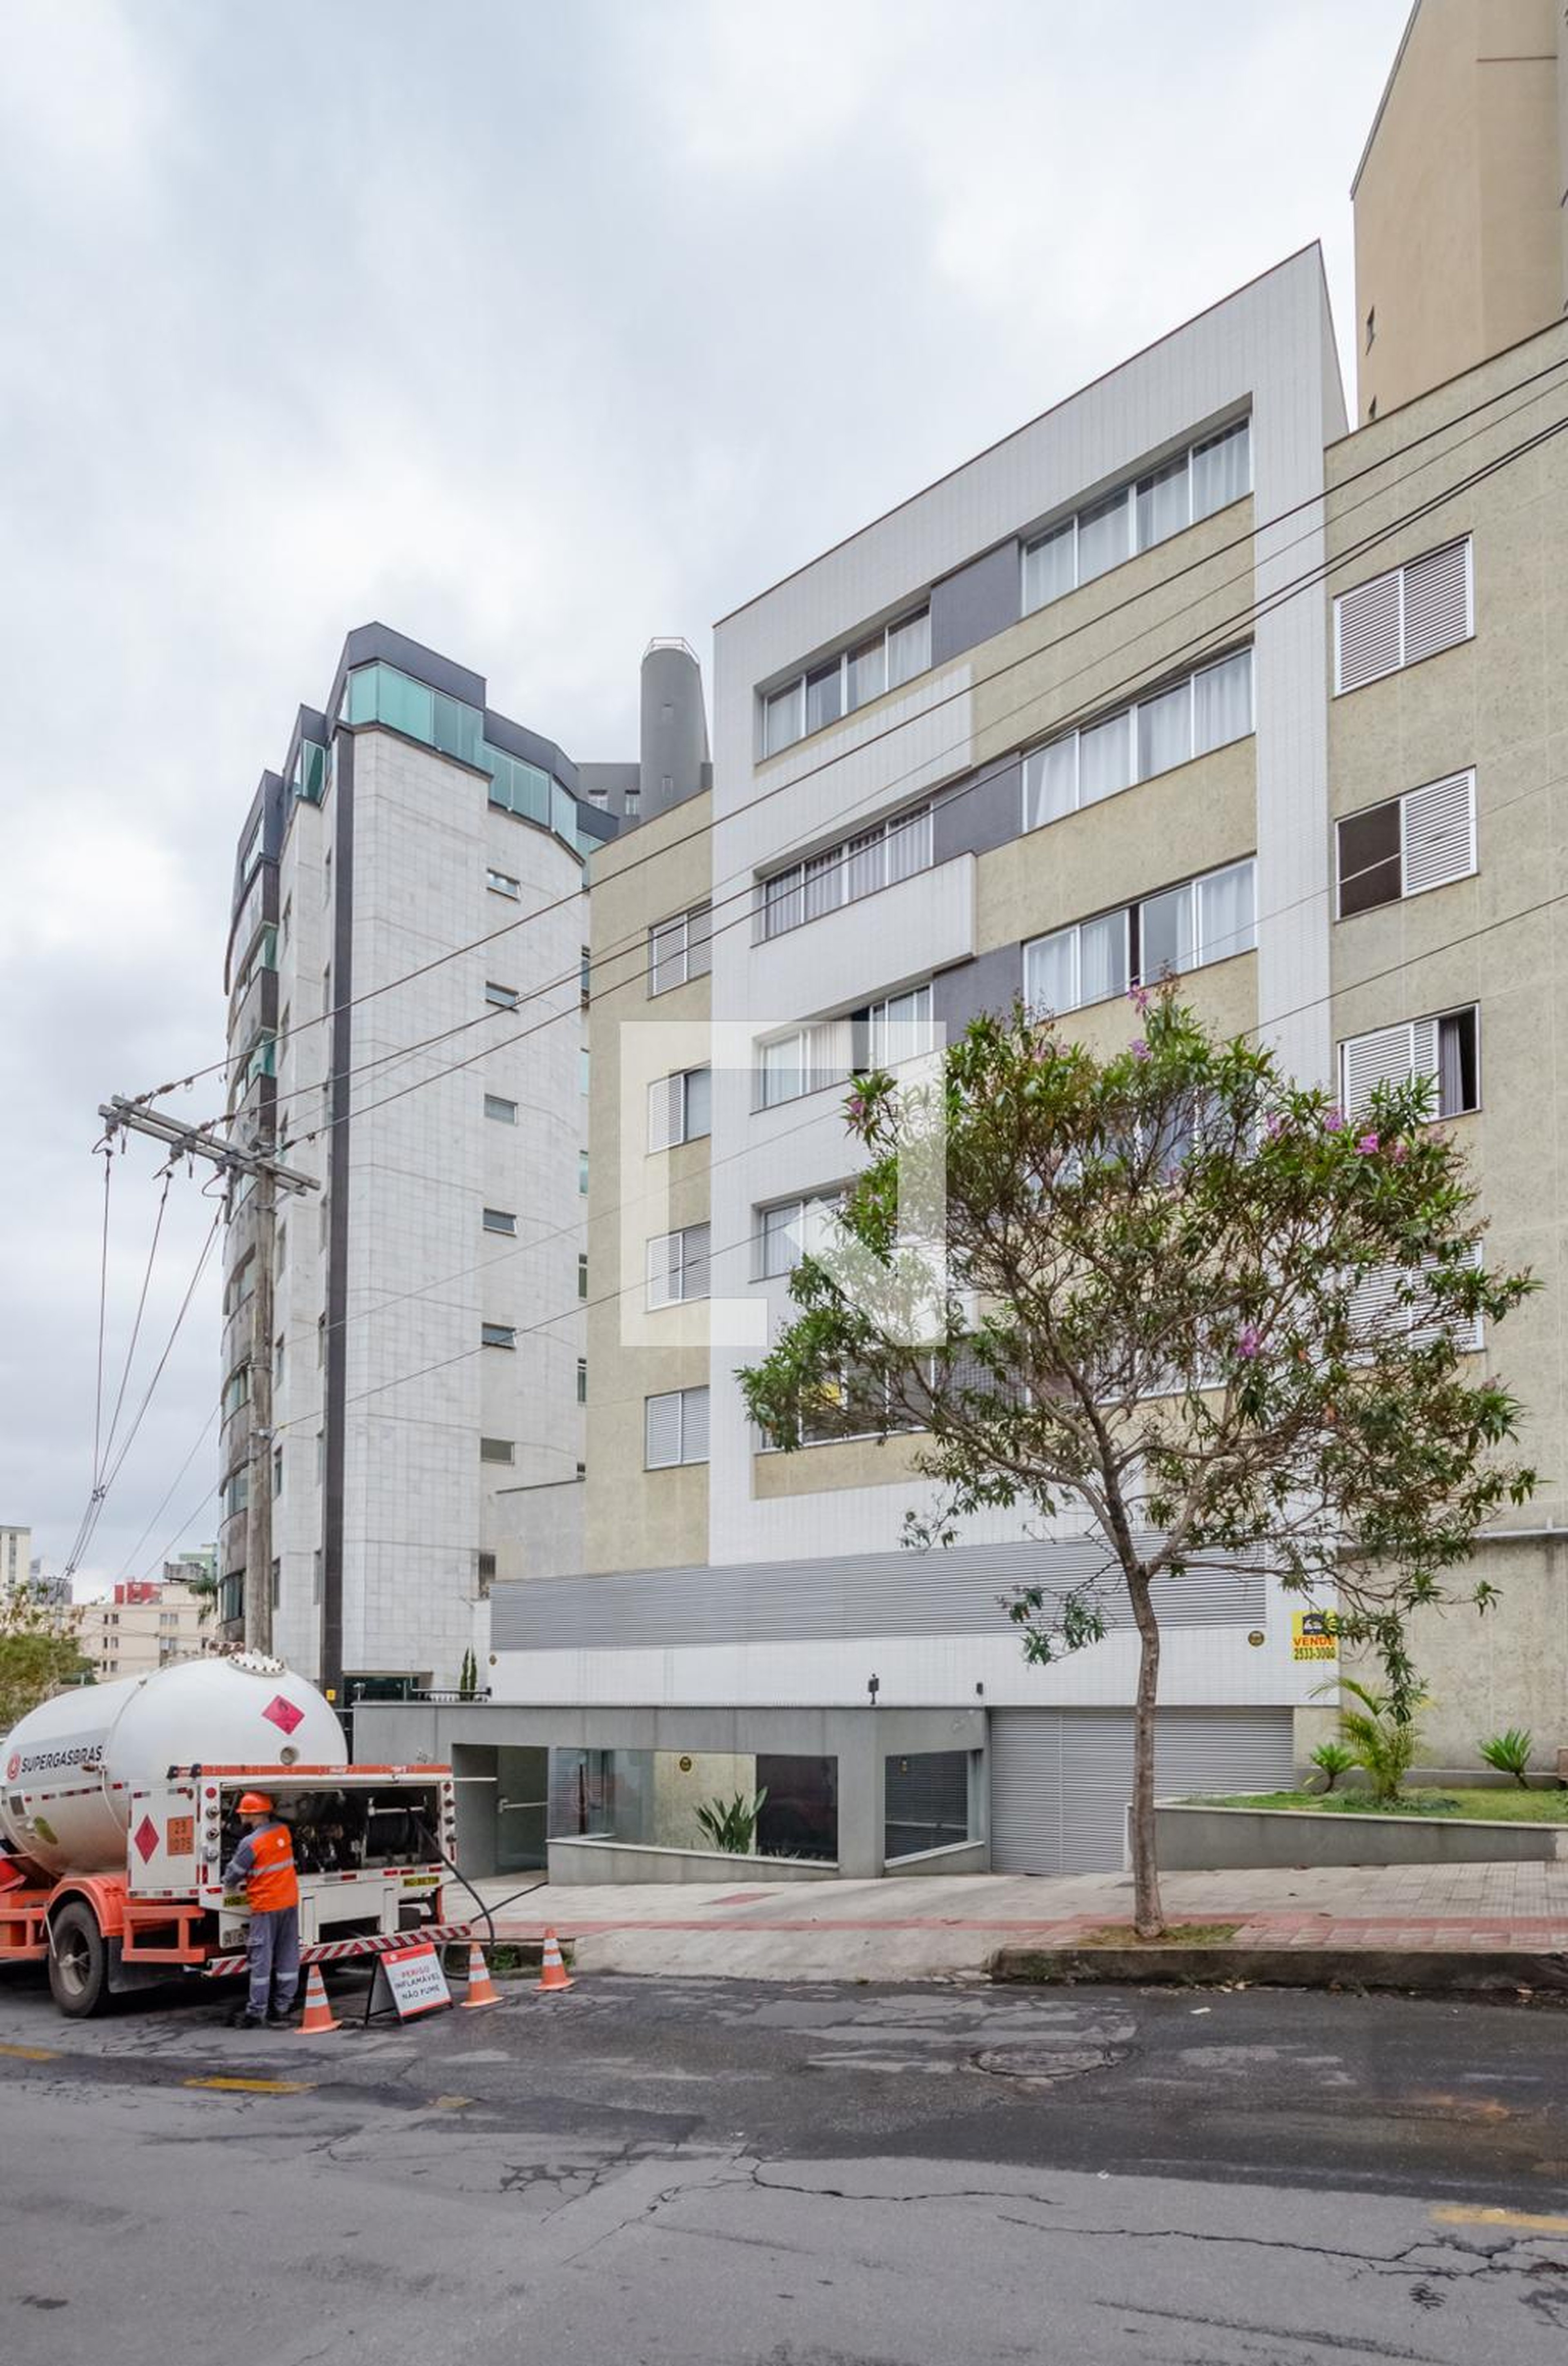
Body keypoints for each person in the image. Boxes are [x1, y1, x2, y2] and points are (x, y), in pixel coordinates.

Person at [222, 1792, 300, 2030]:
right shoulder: (283, 1832)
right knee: (288, 1955)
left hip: (266, 1907)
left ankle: (257, 2012)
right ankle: (284, 2006)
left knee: (261, 1959)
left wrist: (227, 1880)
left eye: (244, 1814)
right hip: (289, 1902)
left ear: (252, 1815)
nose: (242, 1817)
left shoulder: (250, 1844)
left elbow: (233, 1875)